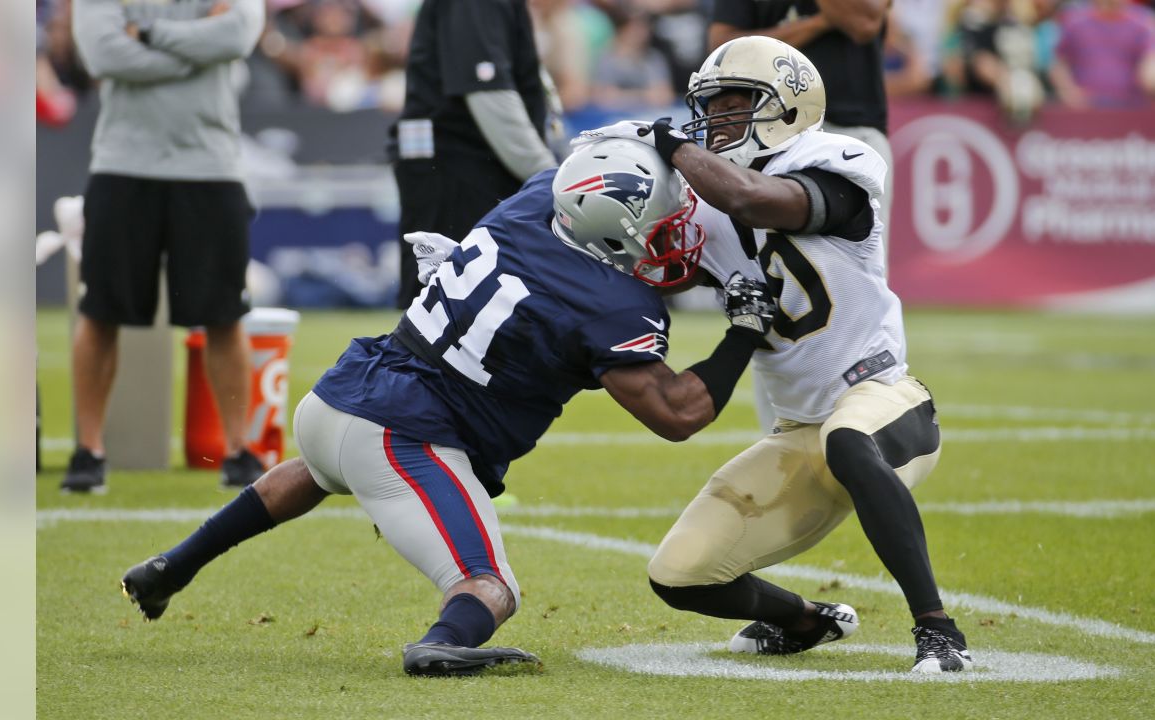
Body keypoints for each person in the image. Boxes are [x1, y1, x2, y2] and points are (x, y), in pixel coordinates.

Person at [118, 139, 778, 677]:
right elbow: (677, 414)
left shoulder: (531, 202)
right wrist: (745, 329)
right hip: (404, 437)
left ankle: (172, 566)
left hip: (335, 403)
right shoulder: (613, 304)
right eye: (665, 226)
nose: (678, 238)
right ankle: (443, 642)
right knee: (490, 586)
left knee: (319, 469)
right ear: (611, 233)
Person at [585, 35, 971, 673]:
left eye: (738, 104)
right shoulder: (704, 205)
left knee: (847, 441)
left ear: (790, 104)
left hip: (884, 403)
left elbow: (758, 200)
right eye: (711, 107)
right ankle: (805, 622)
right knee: (679, 575)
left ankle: (938, 628)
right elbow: (646, 264)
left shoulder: (842, 160)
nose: (719, 121)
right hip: (800, 432)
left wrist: (672, 147)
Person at [65, 0, 267, 493]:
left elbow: (238, 36)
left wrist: (148, 34)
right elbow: (103, 55)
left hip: (211, 167)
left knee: (225, 314)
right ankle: (89, 451)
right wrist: (200, 42)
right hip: (122, 165)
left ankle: (237, 451)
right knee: (100, 311)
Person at [706, 0, 894, 433]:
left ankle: (867, 425)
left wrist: (785, 38)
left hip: (848, 131)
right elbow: (724, 51)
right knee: (764, 290)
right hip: (769, 132)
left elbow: (863, 21)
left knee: (859, 292)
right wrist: (819, 24)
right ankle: (785, 434)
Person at [390, 0, 560, 310]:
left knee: (460, 302)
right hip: (460, 167)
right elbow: (488, 93)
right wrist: (552, 179)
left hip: (458, 162)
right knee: (446, 301)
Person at [1047, 0, 1155, 109]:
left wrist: (1154, 74)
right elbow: (1059, 62)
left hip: (1132, 106)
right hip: (1085, 108)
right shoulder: (1073, 20)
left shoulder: (1145, 21)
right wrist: (1068, 91)